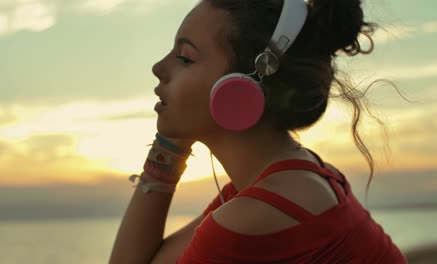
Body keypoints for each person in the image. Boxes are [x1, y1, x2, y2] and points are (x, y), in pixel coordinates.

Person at [110, 0, 408, 263]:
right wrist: (171, 144)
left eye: (185, 57)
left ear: (239, 88)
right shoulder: (285, 181)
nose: (158, 67)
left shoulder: (254, 216)